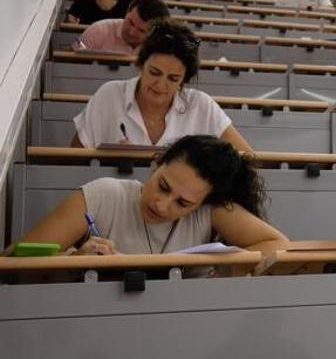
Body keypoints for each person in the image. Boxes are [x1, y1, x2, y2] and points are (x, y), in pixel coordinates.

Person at [14, 135, 287, 258]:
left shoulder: (209, 210)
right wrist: (73, 261)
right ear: (157, 164)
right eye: (163, 186)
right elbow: (15, 259)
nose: (162, 205)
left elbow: (278, 244)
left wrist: (226, 266)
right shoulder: (102, 195)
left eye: (183, 203)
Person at [72, 20, 251, 152]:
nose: (160, 85)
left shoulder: (201, 106)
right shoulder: (110, 95)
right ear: (141, 65)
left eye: (173, 79)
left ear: (183, 80)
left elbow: (248, 160)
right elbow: (73, 159)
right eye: (154, 73)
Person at [74, 0, 171, 56]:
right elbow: (73, 62)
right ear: (127, 13)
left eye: (141, 30)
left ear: (153, 32)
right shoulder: (98, 30)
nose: (132, 32)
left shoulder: (160, 45)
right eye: (130, 22)